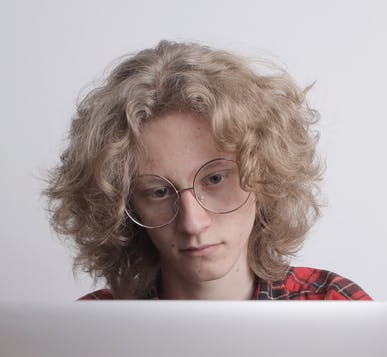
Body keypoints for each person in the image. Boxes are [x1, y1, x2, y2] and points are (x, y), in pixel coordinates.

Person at [46, 40, 370, 301]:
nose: (192, 223)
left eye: (215, 178)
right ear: (124, 205)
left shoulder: (333, 307)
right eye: (158, 192)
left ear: (265, 174)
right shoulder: (92, 329)